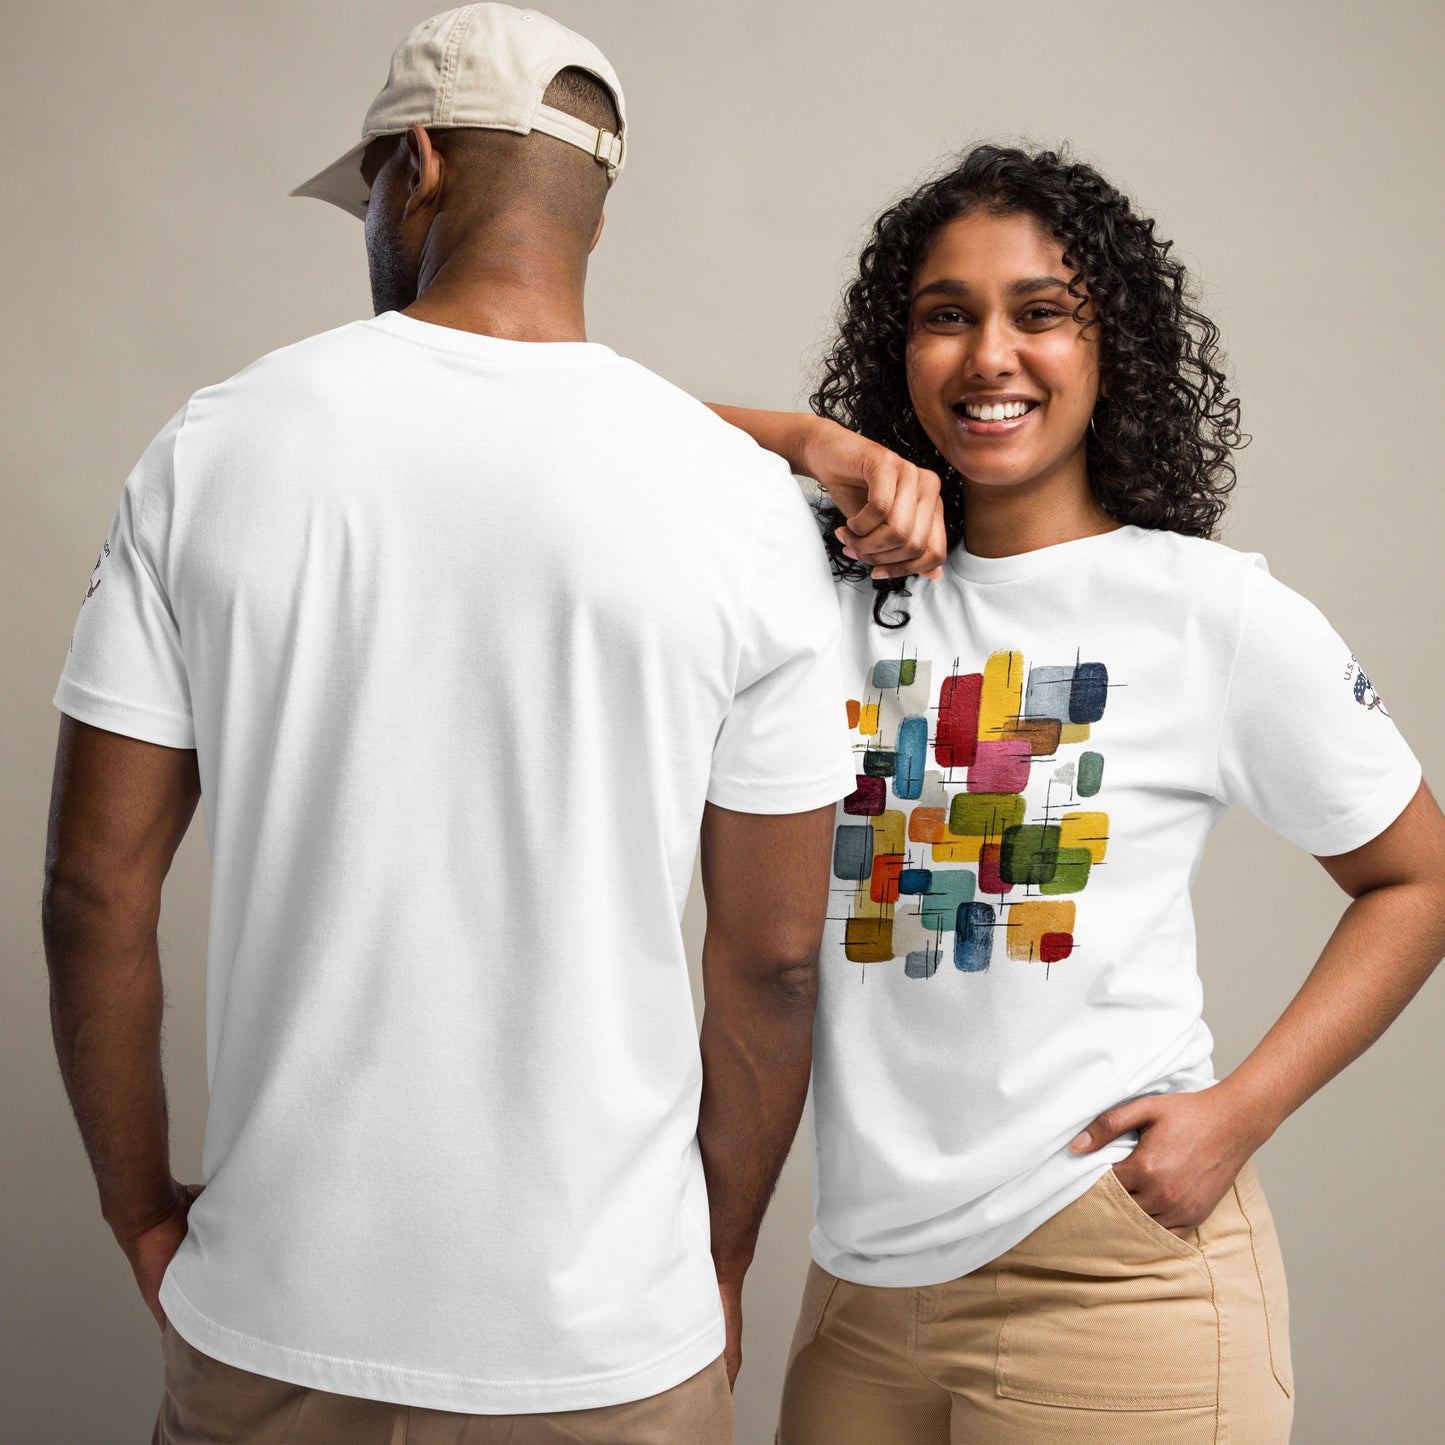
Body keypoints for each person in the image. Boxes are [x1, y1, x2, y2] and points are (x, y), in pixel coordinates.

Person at [41, 6, 858, 1442]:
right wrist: (711, 1265)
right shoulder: (739, 506)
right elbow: (773, 961)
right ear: (593, 215)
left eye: (365, 186)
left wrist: (138, 1210)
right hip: (606, 1341)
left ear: (411, 169)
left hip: (276, 1316)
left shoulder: (216, 448)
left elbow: (93, 887)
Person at [714, 143, 1445, 1443]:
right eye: (947, 316)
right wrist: (810, 443)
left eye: (1039, 312)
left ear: (1113, 348)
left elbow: (1417, 876)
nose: (989, 354)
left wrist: (1240, 1111)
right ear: (900, 347)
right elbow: (584, 434)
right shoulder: (815, 585)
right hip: (860, 1283)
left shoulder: (1203, 611)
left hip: (1106, 1275)